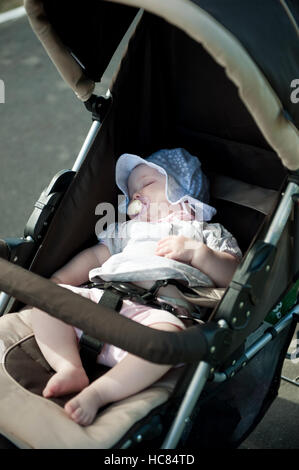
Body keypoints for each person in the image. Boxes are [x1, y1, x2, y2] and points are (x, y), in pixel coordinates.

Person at [29, 148, 242, 426]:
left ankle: (100, 393)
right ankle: (69, 366)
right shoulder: (128, 230)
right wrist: (59, 282)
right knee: (44, 303)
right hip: (101, 299)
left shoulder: (205, 232)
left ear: (185, 193)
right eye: (131, 193)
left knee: (167, 341)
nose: (136, 196)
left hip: (156, 316)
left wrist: (199, 254)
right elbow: (95, 256)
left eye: (147, 185)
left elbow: (233, 275)